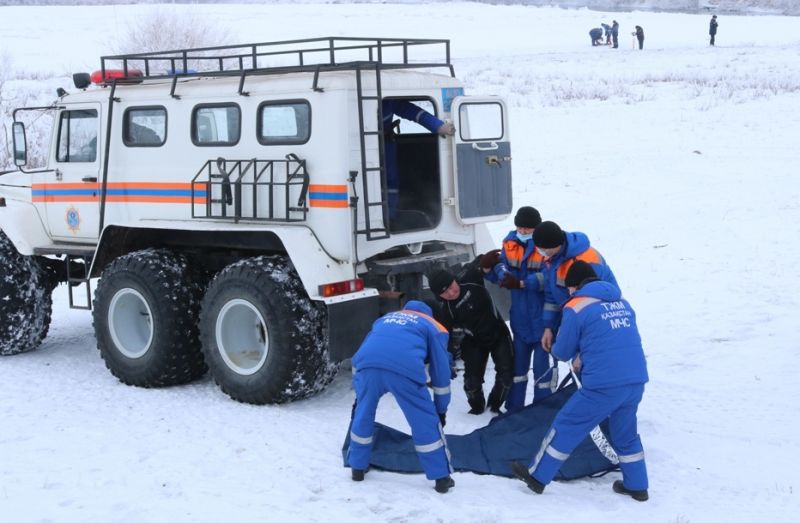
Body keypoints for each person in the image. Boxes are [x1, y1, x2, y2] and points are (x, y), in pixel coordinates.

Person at [511, 261, 649, 501]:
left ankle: (537, 477)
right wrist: (583, 354)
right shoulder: (622, 303)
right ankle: (637, 485)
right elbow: (611, 338)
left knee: (567, 425)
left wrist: (559, 349)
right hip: (635, 380)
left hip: (602, 385)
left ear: (574, 286)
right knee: (625, 434)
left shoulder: (576, 306)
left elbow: (563, 351)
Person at [346, 300, 456, 494]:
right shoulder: (434, 326)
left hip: (367, 367)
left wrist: (359, 390)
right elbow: (441, 372)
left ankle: (357, 467)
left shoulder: (385, 319)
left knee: (363, 414)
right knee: (424, 421)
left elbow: (363, 351)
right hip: (404, 371)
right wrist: (440, 409)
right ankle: (441, 477)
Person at [481, 206, 555, 412]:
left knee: (542, 374)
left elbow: (550, 278)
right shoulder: (509, 243)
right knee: (517, 372)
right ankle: (514, 412)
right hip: (520, 323)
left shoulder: (545, 246)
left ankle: (542, 412)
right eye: (520, 228)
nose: (522, 232)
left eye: (527, 229)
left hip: (542, 323)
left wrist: (522, 283)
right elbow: (501, 273)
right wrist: (490, 268)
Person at [429, 265, 514, 415]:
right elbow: (444, 337)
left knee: (506, 376)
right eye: (444, 292)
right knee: (471, 383)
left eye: (451, 286)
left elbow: (484, 262)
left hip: (498, 334)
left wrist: (497, 269)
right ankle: (477, 409)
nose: (451, 292)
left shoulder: (471, 280)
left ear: (454, 280)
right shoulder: (446, 310)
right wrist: (447, 359)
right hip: (474, 341)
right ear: (439, 296)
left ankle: (494, 407)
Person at [532, 220, 618, 352]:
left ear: (556, 245)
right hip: (575, 319)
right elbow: (551, 296)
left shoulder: (588, 261)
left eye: (543, 249)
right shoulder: (552, 257)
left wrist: (582, 349)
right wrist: (548, 327)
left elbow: (595, 306)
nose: (540, 252)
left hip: (597, 321)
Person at [382, 99, 455, 219]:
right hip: (358, 148)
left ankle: (390, 216)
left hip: (386, 143)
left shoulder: (388, 101)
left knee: (390, 180)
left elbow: (413, 112)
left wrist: (438, 126)